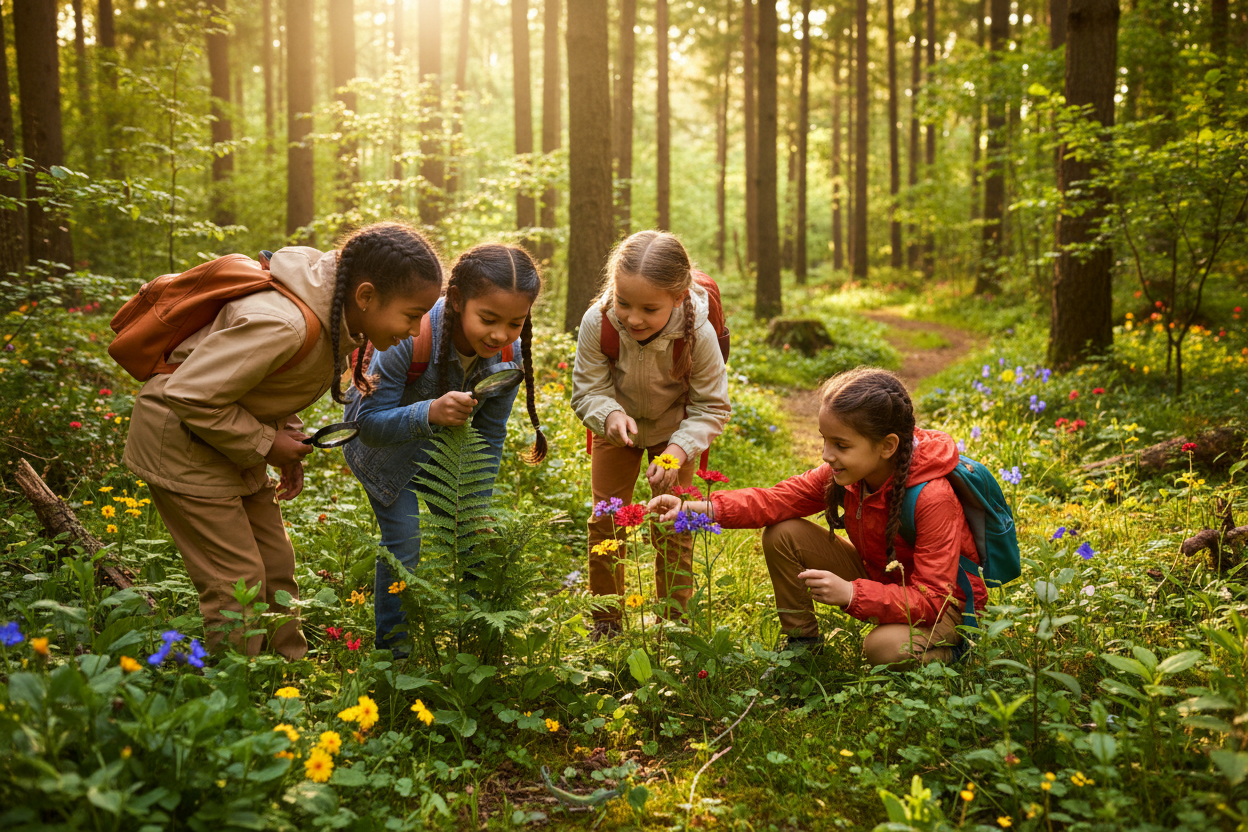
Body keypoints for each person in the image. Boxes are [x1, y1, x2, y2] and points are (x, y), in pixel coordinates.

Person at [124, 222, 444, 659]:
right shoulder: (285, 323)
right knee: (237, 582)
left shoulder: (336, 316)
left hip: (226, 439)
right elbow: (188, 393)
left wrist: (284, 437)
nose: (417, 330)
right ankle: (237, 684)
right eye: (412, 315)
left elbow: (266, 380)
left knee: (276, 565)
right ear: (366, 296)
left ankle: (286, 673)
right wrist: (266, 444)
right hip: (181, 445)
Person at [648, 367, 985, 667]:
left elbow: (933, 598)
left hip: (943, 608)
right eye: (825, 440)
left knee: (883, 648)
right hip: (883, 579)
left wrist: (851, 594)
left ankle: (957, 652)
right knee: (782, 533)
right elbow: (775, 500)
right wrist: (699, 509)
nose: (827, 455)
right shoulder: (848, 473)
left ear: (887, 446)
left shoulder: (932, 497)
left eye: (841, 445)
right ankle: (802, 647)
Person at [345, 243, 546, 654]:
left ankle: (475, 649)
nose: (500, 334)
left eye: (515, 322)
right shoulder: (408, 335)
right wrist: (430, 412)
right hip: (385, 456)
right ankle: (394, 654)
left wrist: (475, 506)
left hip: (443, 458)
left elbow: (490, 434)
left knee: (473, 540)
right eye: (488, 319)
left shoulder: (509, 356)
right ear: (456, 299)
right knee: (404, 542)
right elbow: (367, 425)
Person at [571, 230, 731, 641]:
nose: (633, 318)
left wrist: (677, 451)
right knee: (606, 520)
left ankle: (675, 624)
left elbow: (712, 407)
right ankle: (606, 622)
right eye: (624, 302)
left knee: (673, 522)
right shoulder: (598, 322)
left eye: (649, 308)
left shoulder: (698, 334)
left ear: (679, 298)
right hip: (615, 429)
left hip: (675, 432)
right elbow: (587, 390)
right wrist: (609, 415)